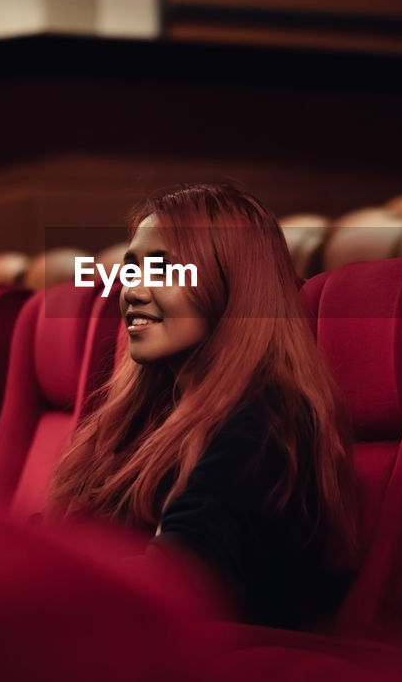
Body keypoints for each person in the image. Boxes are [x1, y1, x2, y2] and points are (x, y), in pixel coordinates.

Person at [46, 183, 358, 629]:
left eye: (162, 270)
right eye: (130, 272)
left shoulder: (269, 417)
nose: (132, 291)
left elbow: (182, 575)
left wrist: (35, 581)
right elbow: (82, 532)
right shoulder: (155, 407)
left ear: (230, 283)